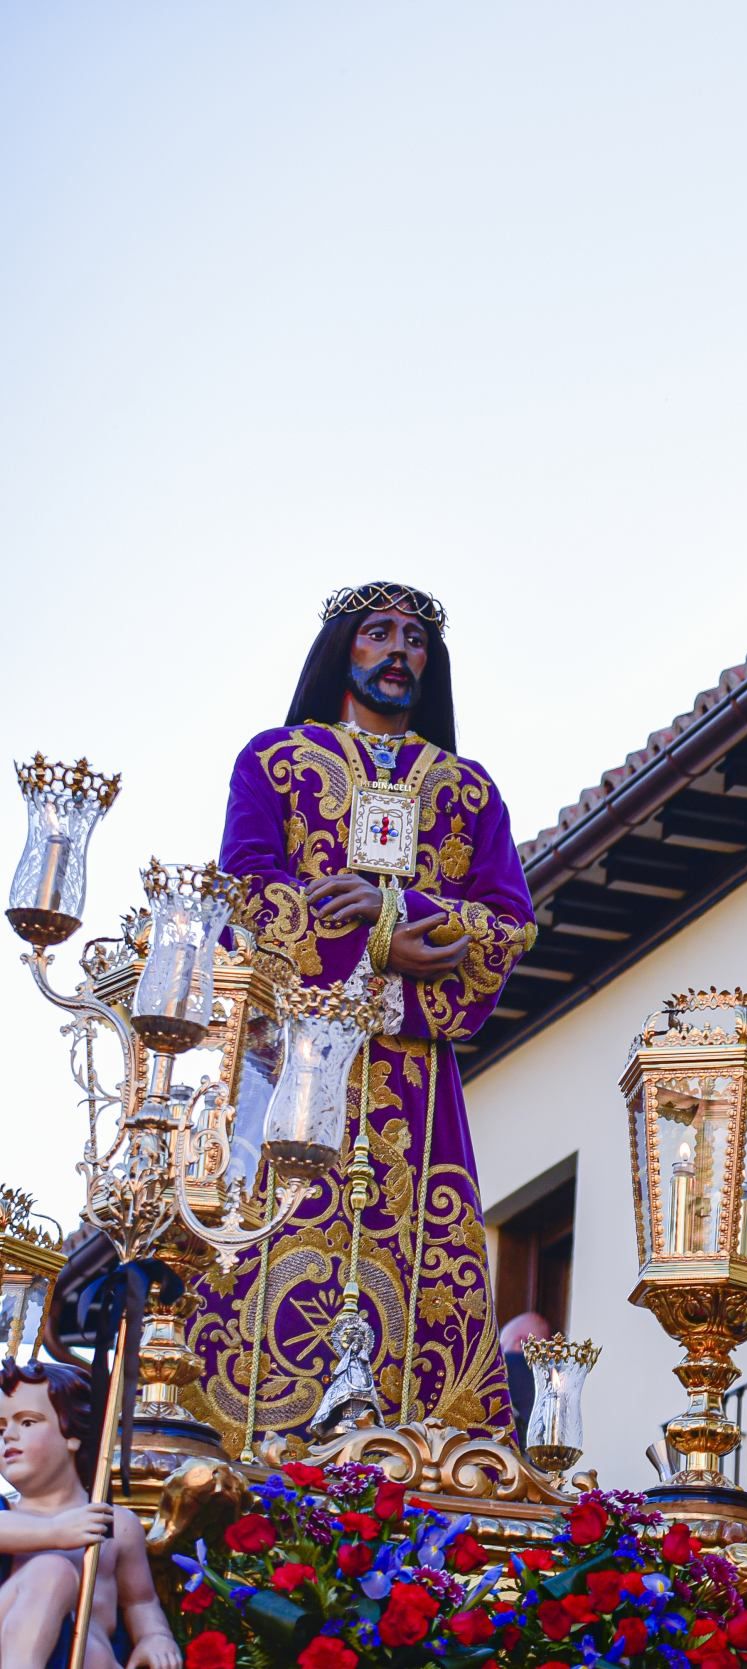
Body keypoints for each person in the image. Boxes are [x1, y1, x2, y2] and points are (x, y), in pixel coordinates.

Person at [185, 582, 536, 1449]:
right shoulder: (274, 761)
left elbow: (507, 925)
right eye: (379, 633)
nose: (399, 653)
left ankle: (420, 1447)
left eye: (415, 640)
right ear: (345, 648)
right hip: (298, 1060)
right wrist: (386, 945)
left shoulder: (467, 790)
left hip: (417, 1091)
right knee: (270, 1236)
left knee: (422, 1265)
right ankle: (250, 1439)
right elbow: (248, 897)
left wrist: (395, 912)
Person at [0, 1361, 179, 1669]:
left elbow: (140, 1601)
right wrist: (55, 1532)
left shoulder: (116, 1524)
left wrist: (155, 1637)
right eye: (1, 1428)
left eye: (27, 1422)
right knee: (50, 1572)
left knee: (94, 1651)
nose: (9, 1436)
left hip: (91, 1659)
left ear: (74, 1433)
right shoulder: (9, 1511)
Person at [499, 1310, 552, 1438]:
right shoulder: (551, 1382)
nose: (498, 1353)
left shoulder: (511, 1362)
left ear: (520, 1343)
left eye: (500, 1345)